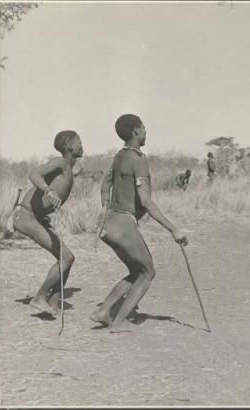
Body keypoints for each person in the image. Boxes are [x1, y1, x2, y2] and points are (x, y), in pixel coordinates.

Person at [90, 114, 188, 333]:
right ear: (135, 131)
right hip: (124, 224)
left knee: (137, 270)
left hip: (108, 224)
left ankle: (104, 310)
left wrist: (104, 211)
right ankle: (120, 321)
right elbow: (146, 202)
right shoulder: (138, 159)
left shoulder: (119, 156)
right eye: (143, 128)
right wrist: (175, 230)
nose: (145, 131)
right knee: (148, 272)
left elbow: (105, 185)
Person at [12, 131, 84, 314]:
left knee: (68, 258)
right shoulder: (60, 162)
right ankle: (39, 298)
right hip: (26, 216)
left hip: (35, 217)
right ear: (69, 146)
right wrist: (48, 191)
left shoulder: (68, 168)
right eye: (79, 142)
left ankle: (53, 302)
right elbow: (34, 174)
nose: (82, 146)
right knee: (66, 257)